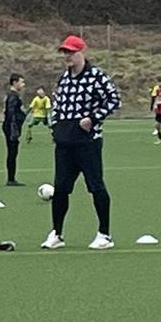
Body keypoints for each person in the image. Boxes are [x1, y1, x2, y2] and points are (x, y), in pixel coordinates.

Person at [41, 35, 121, 251]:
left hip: (87, 142)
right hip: (65, 143)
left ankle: (105, 233)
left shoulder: (96, 77)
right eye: (64, 52)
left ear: (81, 52)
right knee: (61, 189)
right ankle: (57, 233)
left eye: (71, 52)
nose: (67, 56)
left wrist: (93, 119)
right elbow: (56, 106)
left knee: (95, 186)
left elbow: (114, 100)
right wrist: (55, 128)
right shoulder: (63, 79)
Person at [2, 73, 26, 185]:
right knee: (12, 153)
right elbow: (10, 114)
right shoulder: (13, 96)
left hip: (11, 127)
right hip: (11, 128)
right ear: (15, 82)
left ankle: (11, 178)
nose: (23, 84)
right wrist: (13, 129)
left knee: (13, 153)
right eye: (21, 82)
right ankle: (11, 179)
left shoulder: (12, 95)